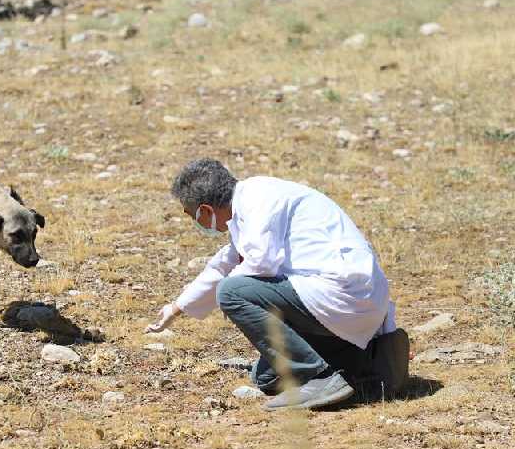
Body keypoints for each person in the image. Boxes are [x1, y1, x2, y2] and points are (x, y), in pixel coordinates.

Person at [146, 159, 398, 410]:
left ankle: (318, 377)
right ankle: (357, 362)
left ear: (205, 211)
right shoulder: (248, 203)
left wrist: (229, 292)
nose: (193, 220)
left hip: (343, 294)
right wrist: (176, 308)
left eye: (190, 214)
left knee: (232, 291)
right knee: (266, 377)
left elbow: (259, 264)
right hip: (345, 300)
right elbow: (223, 264)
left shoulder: (258, 200)